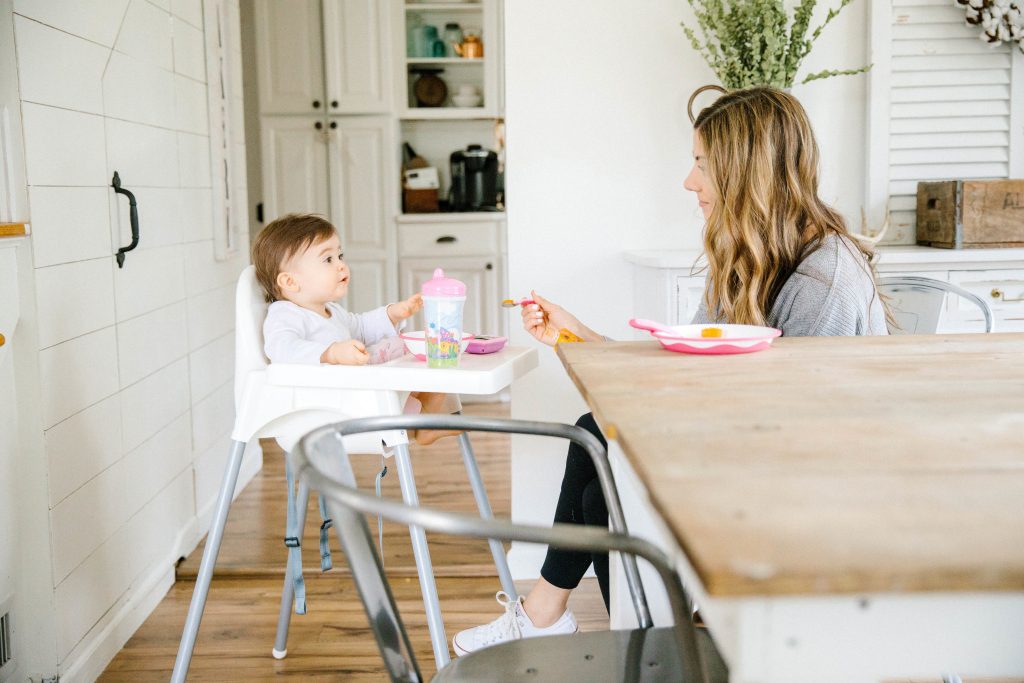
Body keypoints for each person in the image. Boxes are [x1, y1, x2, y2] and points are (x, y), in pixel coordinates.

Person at [452, 86, 889, 656]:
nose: (689, 181)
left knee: (596, 454)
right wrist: (573, 332)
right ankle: (638, 648)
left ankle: (601, 634)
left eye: (702, 164)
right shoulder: (748, 255)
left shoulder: (822, 279)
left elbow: (797, 437)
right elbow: (684, 371)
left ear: (746, 171)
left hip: (809, 495)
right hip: (748, 455)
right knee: (594, 467)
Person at [252, 213, 459, 444]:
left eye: (339, 256)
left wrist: (393, 313)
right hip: (326, 406)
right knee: (409, 360)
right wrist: (331, 353)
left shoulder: (331, 310)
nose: (341, 265)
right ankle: (422, 421)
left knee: (418, 355)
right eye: (327, 259)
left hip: (353, 394)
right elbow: (281, 349)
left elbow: (360, 327)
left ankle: (426, 420)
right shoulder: (285, 314)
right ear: (290, 282)